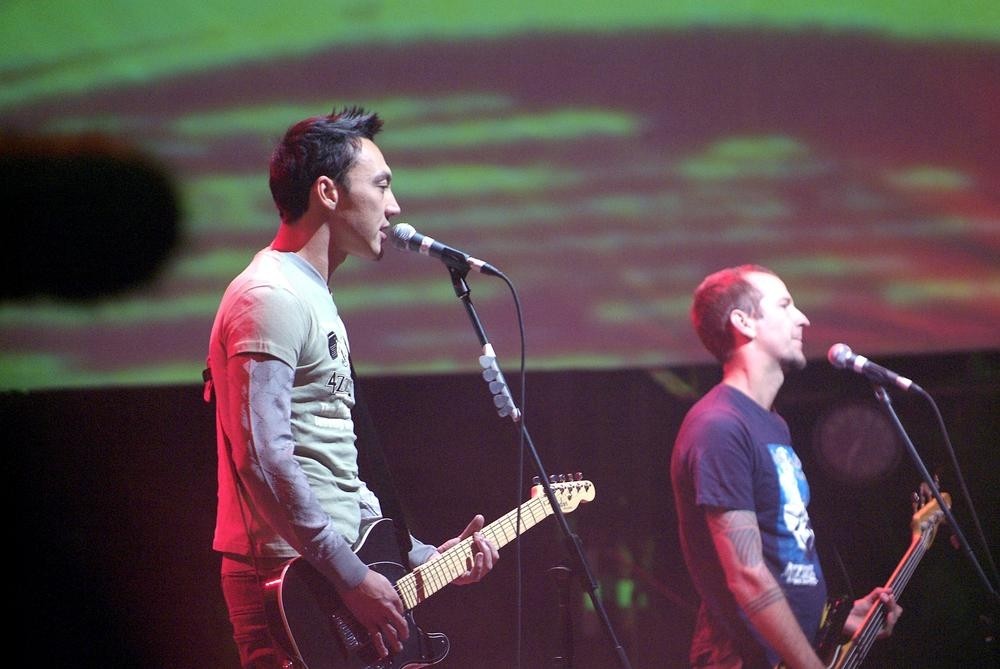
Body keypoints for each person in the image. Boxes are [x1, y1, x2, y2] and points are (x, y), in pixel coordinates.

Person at [206, 107, 499, 669]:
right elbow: (263, 457)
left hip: (329, 573)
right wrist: (350, 577)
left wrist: (424, 556)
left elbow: (331, 468)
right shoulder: (269, 296)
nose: (394, 207)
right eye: (382, 185)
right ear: (328, 192)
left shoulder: (312, 296)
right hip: (293, 582)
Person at [669, 265, 902, 668]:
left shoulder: (771, 422)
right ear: (743, 322)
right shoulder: (720, 426)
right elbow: (746, 575)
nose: (803, 318)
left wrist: (839, 617)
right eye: (785, 304)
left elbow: (784, 556)